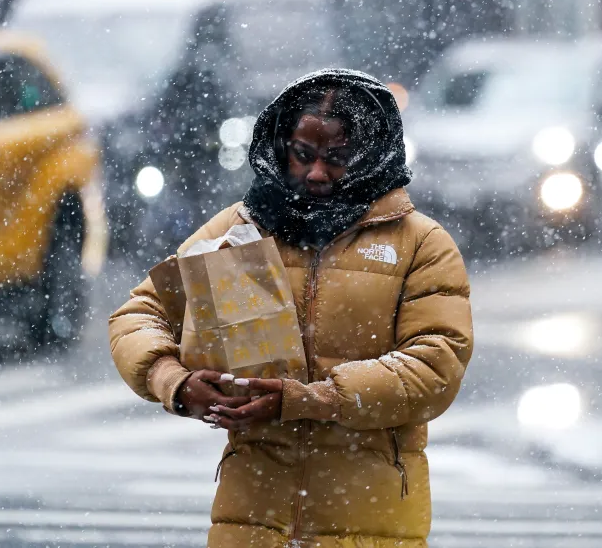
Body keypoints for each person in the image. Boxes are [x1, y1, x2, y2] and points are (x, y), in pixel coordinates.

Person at [109, 68, 473, 547]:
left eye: (338, 158)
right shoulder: (241, 229)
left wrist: (311, 400)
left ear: (375, 154)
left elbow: (435, 369)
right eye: (303, 155)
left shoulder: (421, 245)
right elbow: (137, 316)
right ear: (281, 148)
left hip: (370, 526)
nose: (316, 172)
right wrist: (174, 384)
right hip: (251, 524)